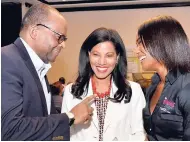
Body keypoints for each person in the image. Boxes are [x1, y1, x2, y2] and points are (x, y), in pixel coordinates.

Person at [1, 3, 95, 141]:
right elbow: (10, 130)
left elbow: (42, 119)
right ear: (34, 32)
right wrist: (70, 117)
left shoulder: (38, 67)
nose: (63, 45)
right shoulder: (6, 60)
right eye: (59, 37)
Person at [61, 27, 146, 141]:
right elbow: (65, 133)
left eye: (109, 55)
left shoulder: (133, 90)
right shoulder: (71, 91)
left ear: (117, 57)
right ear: (88, 55)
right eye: (96, 54)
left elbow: (139, 133)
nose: (102, 62)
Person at [134, 15, 190, 140]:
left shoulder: (186, 88)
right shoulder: (153, 86)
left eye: (139, 43)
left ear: (160, 42)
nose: (136, 51)